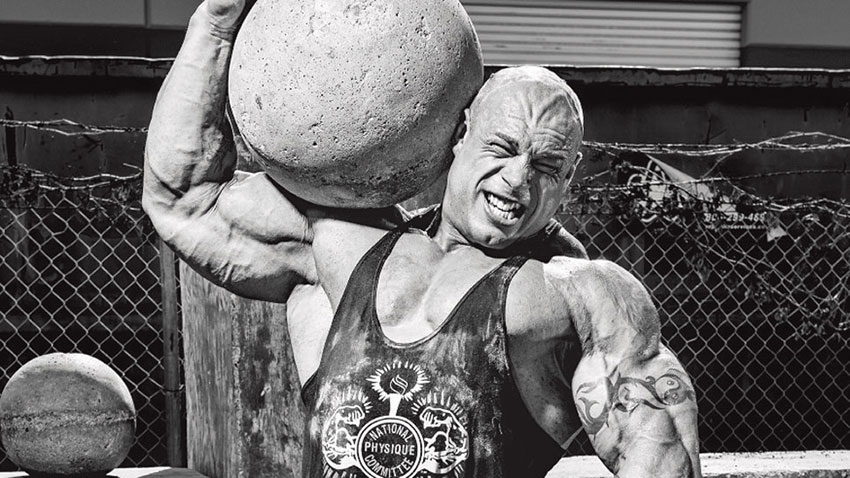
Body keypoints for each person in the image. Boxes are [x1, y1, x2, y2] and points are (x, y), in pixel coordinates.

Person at [143, 0, 702, 476]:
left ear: (568, 181)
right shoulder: (338, 246)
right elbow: (181, 196)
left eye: (547, 166)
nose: (518, 180)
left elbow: (658, 456)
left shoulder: (584, 299)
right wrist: (216, 23)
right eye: (502, 149)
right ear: (460, 136)